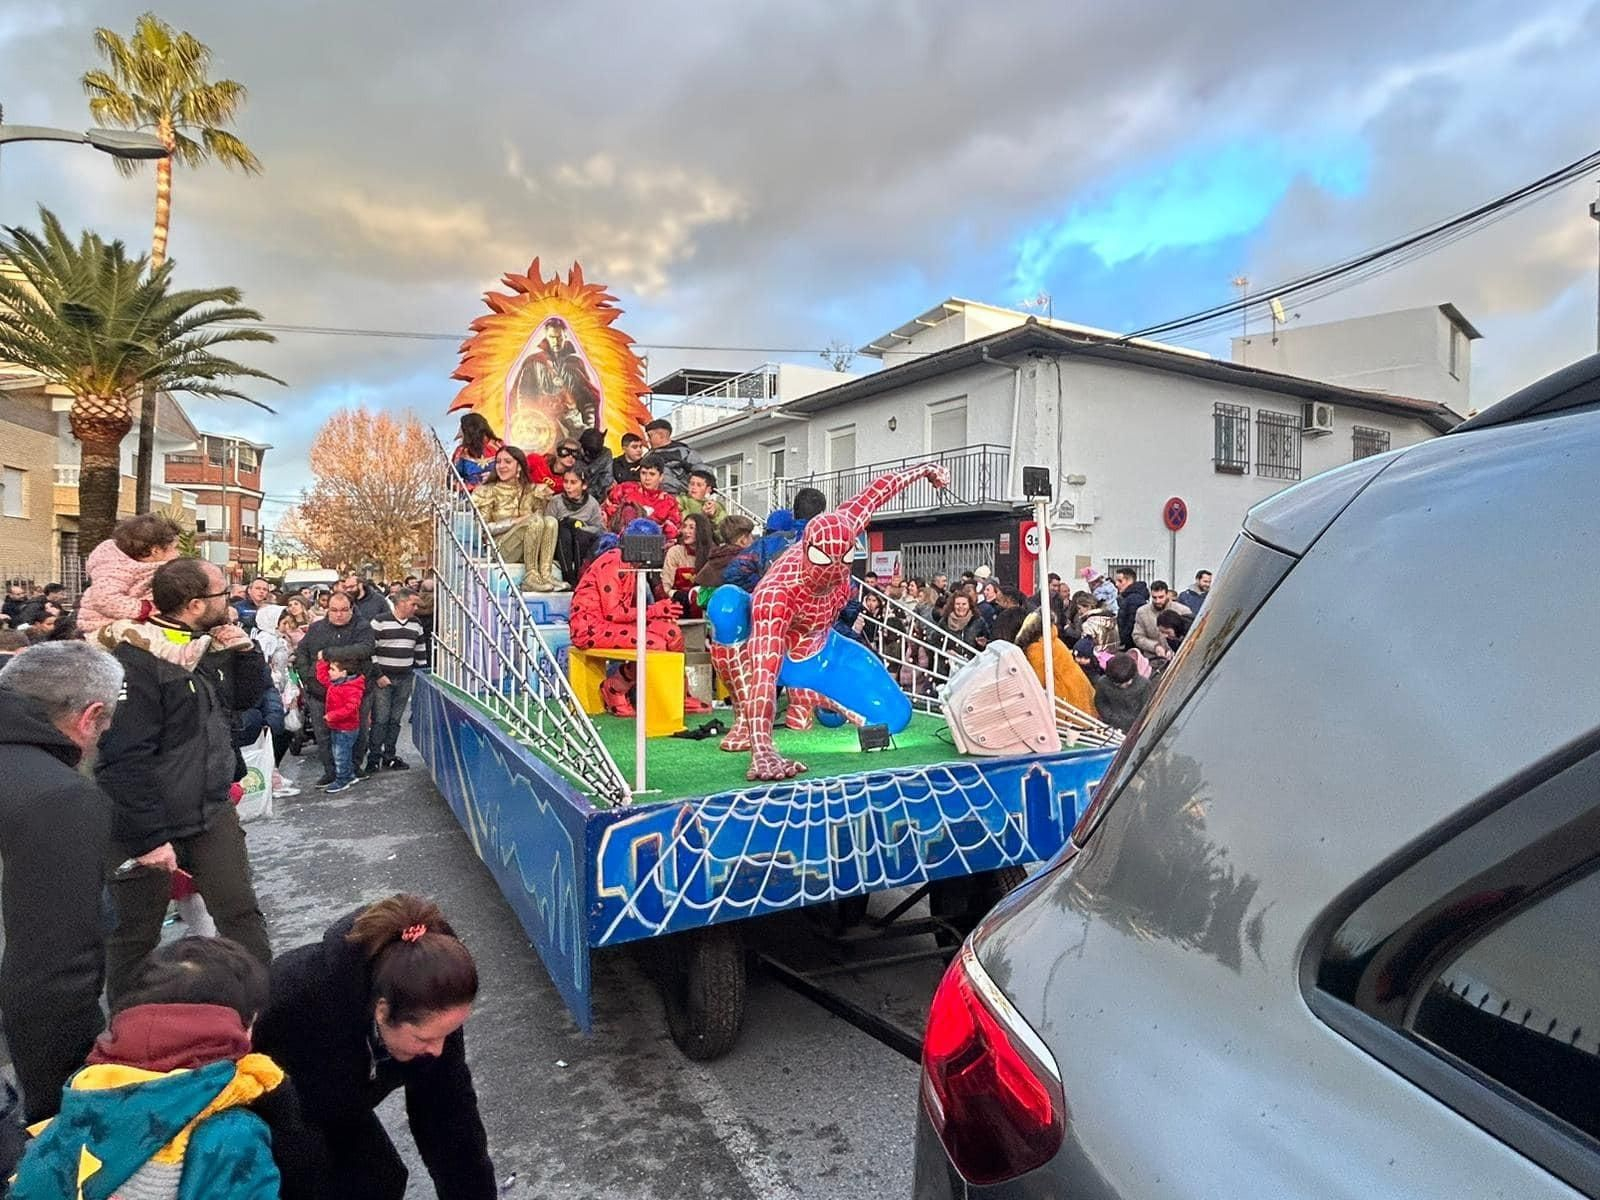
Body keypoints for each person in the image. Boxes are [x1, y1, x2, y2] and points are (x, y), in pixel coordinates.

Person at [95, 558, 273, 1001]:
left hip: (210, 812)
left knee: (240, 915)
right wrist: (150, 838)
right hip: (145, 827)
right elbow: (122, 757)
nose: (231, 598)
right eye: (222, 592)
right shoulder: (137, 657)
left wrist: (246, 653)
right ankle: (130, 1034)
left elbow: (246, 698)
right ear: (195, 604)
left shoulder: (204, 644)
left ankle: (263, 1010)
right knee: (135, 939)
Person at [254, 895, 496, 1200]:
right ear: (382, 1012)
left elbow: (450, 1120)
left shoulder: (432, 1004)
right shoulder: (293, 999)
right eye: (423, 1040)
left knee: (380, 1179)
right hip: (261, 1111)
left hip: (338, 1099)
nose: (438, 1050)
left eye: (447, 1034)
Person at [0, 643, 123, 1122]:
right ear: (89, 716)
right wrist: (63, 1103)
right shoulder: (59, 797)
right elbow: (52, 969)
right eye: (105, 725)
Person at [294, 590, 377, 788]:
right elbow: (302, 652)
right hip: (320, 693)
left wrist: (331, 654)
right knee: (323, 734)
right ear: (327, 609)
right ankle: (331, 772)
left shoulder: (362, 627)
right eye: (333, 610)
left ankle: (353, 768)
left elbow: (365, 649)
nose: (338, 614)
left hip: (353, 691)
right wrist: (307, 675)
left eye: (343, 610)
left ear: (351, 609)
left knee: (357, 732)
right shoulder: (316, 628)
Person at [472, 445, 563, 592]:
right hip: (501, 548)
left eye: (507, 462)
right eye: (499, 462)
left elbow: (542, 522)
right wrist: (515, 521)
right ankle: (530, 576)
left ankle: (545, 574)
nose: (502, 466)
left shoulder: (533, 490)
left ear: (519, 466)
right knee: (534, 520)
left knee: (551, 521)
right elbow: (482, 529)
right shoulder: (487, 491)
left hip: (531, 544)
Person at [77, 514, 184, 636]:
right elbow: (105, 599)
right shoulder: (115, 567)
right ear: (156, 550)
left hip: (127, 624)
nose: (178, 553)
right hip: (103, 628)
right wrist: (146, 608)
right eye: (174, 548)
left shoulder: (144, 567)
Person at [721, 486, 827, 592]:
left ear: (793, 514)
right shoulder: (830, 544)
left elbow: (733, 573)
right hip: (819, 605)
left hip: (775, 602)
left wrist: (764, 583)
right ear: (822, 514)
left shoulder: (768, 543)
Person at [367, 588, 427, 772]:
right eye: (413, 604)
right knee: (381, 719)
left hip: (405, 676)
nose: (415, 608)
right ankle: (373, 757)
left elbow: (420, 649)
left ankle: (389, 755)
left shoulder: (415, 624)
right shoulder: (380, 621)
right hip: (383, 678)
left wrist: (422, 672)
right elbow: (370, 650)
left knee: (395, 719)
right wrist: (379, 675)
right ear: (401, 603)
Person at [1011, 610, 1099, 719]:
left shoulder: (1036, 649)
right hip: (1078, 683)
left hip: (1064, 692)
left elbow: (1038, 680)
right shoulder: (1053, 640)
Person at [316, 652, 366, 794]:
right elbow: (322, 677)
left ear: (343, 672)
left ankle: (342, 779)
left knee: (340, 755)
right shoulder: (337, 683)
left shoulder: (351, 688)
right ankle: (348, 775)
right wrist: (322, 662)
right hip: (339, 725)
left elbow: (350, 708)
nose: (329, 672)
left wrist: (332, 715)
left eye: (332, 670)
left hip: (346, 727)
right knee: (343, 753)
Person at [602, 454, 681, 536]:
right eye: (643, 473)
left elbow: (673, 531)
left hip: (653, 544)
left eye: (652, 474)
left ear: (661, 477)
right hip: (619, 540)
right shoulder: (625, 489)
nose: (647, 478)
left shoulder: (669, 502)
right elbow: (606, 513)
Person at [550, 467, 605, 586]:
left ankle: (580, 576)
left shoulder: (592, 503)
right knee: (564, 530)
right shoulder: (556, 501)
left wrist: (579, 527)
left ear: (584, 485)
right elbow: (548, 526)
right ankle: (568, 575)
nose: (568, 486)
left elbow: (598, 528)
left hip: (582, 544)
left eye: (573, 482)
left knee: (581, 535)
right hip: (560, 545)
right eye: (566, 482)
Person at [663, 511, 714, 615]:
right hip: (679, 605)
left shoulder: (712, 553)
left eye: (691, 527)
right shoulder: (675, 552)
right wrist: (676, 594)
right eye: (684, 526)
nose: (686, 531)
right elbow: (666, 587)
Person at [1132, 580, 1193, 662]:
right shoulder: (1142, 612)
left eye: (1161, 597)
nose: (1158, 601)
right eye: (1154, 597)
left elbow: (1190, 638)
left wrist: (1174, 650)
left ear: (1167, 594)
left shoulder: (1183, 611)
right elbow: (1137, 637)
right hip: (1152, 660)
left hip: (1177, 660)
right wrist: (1155, 646)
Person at [642, 417, 707, 494]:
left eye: (650, 436)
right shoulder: (647, 456)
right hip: (652, 499)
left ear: (662, 435)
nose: (647, 440)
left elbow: (703, 475)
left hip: (680, 499)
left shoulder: (685, 453)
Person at [1094, 652, 1152, 732]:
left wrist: (1138, 723)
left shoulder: (1144, 685)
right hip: (1112, 725)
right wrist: (1110, 717)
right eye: (1119, 684)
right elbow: (1100, 702)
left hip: (1136, 726)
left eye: (1128, 682)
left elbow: (1147, 708)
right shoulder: (1103, 683)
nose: (1124, 686)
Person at [693, 514, 755, 589]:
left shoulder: (714, 558)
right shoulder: (744, 562)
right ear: (743, 540)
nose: (753, 540)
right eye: (751, 536)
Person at [451, 412, 501, 489]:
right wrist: (468, 487)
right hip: (471, 498)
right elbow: (451, 480)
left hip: (498, 496)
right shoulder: (461, 452)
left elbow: (514, 472)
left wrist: (495, 477)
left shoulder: (499, 446)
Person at [678, 469, 728, 541]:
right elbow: (681, 523)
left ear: (708, 489)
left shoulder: (716, 507)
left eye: (699, 485)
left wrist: (713, 516)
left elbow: (723, 535)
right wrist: (702, 515)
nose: (694, 487)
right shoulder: (681, 501)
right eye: (692, 484)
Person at [1113, 567, 1150, 650]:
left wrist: (1125, 640)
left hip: (1133, 645)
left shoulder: (1134, 599)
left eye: (1120, 581)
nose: (1116, 584)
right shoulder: (1128, 597)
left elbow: (1132, 623)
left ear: (1129, 581)